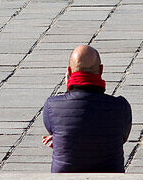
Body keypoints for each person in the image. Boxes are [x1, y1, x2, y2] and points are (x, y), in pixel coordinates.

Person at [42, 45, 132, 173]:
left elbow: (59, 129)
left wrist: (63, 140)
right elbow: (120, 138)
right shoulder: (120, 107)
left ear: (69, 72)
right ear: (101, 70)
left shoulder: (52, 105)